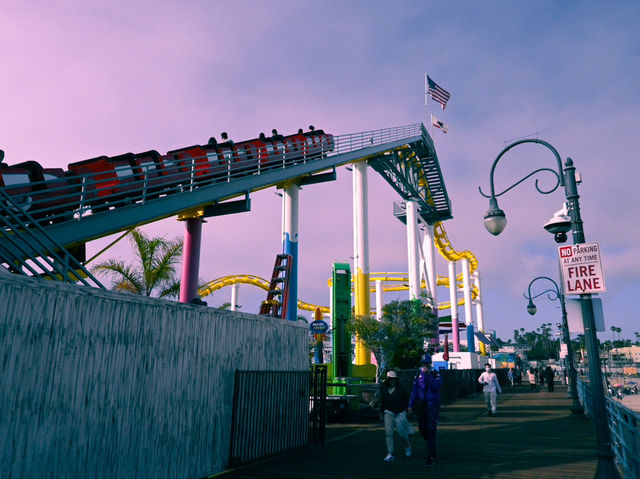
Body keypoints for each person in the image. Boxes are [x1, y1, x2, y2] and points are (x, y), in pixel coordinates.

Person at [408, 353, 441, 467]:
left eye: (426, 363)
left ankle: (431, 456)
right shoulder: (418, 374)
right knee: (422, 429)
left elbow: (437, 387)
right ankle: (432, 446)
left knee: (431, 430)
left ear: (430, 363)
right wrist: (410, 405)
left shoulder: (435, 373)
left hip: (432, 405)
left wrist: (429, 376)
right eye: (423, 363)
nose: (424, 365)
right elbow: (414, 390)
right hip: (421, 405)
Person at [380, 370, 412, 463]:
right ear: (388, 380)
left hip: (400, 412)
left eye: (394, 379)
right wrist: (381, 413)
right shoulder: (384, 388)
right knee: (388, 433)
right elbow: (382, 400)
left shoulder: (401, 388)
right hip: (388, 412)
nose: (392, 381)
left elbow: (407, 399)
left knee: (401, 433)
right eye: (390, 379)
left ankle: (407, 445)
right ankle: (390, 453)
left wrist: (408, 409)